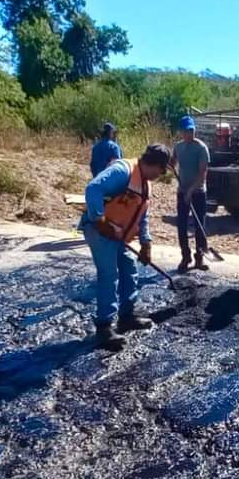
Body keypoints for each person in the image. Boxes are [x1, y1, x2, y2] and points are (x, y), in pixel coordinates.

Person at [81, 144, 171, 351]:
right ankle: (104, 327)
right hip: (100, 231)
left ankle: (127, 316)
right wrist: (98, 218)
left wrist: (146, 242)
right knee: (109, 274)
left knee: (129, 270)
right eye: (161, 170)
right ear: (154, 164)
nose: (160, 174)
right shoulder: (122, 170)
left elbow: (142, 214)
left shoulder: (145, 183)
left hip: (118, 234)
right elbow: (93, 188)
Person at [170, 115, 211, 273]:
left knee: (199, 225)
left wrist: (191, 191)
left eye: (192, 130)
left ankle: (199, 257)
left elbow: (202, 174)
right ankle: (185, 256)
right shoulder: (178, 147)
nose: (190, 133)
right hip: (182, 191)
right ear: (181, 132)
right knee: (181, 225)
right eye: (186, 130)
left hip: (198, 192)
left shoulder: (201, 148)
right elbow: (172, 162)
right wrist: (169, 164)